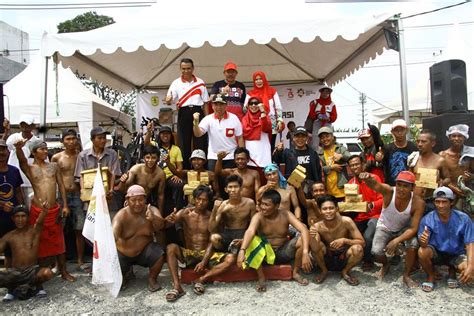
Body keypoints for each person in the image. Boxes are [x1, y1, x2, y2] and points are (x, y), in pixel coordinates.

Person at [15, 139, 75, 285]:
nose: (45, 151)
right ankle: (42, 272)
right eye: (42, 149)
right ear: (34, 152)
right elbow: (22, 160)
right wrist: (18, 148)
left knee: (59, 241)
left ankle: (63, 271)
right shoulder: (29, 168)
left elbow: (61, 186)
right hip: (37, 209)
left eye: (46, 148)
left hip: (54, 209)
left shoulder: (53, 166)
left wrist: (65, 205)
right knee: (39, 241)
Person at [237, 189, 313, 291]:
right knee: (252, 240)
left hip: (283, 252)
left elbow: (303, 229)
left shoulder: (286, 214)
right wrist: (242, 251)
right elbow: (250, 231)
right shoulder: (258, 216)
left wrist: (305, 253)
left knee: (301, 240)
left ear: (276, 206)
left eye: (266, 205)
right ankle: (261, 277)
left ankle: (295, 272)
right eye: (262, 204)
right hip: (265, 255)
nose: (263, 207)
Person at [359, 170, 425, 287]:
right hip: (385, 226)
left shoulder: (418, 202)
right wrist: (368, 178)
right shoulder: (389, 191)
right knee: (376, 251)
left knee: (413, 244)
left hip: (403, 228)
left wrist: (396, 240)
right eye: (399, 184)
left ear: (413, 187)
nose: (401, 189)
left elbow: (413, 228)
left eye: (405, 186)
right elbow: (376, 185)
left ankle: (406, 274)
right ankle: (386, 264)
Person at [164, 185, 225, 301]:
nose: (201, 202)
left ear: (209, 201)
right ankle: (177, 286)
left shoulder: (211, 216)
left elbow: (212, 240)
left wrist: (203, 262)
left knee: (230, 258)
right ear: (194, 199)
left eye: (204, 200)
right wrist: (168, 219)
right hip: (188, 254)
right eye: (198, 199)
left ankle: (201, 279)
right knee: (171, 247)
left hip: (205, 254)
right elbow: (166, 224)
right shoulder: (185, 213)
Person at [196, 175, 255, 294]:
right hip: (227, 235)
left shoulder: (249, 203)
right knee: (214, 237)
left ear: (241, 188)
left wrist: (244, 240)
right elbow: (211, 228)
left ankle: (202, 279)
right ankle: (207, 262)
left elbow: (253, 225)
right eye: (230, 187)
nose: (233, 190)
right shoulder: (223, 205)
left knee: (231, 258)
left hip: (243, 234)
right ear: (226, 190)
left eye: (236, 187)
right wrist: (215, 210)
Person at [417, 187, 474, 292]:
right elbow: (423, 244)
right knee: (422, 252)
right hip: (437, 253)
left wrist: (471, 266)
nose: (440, 205)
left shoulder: (463, 219)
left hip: (456, 254)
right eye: (437, 202)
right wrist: (423, 242)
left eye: (444, 202)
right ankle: (431, 275)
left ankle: (452, 270)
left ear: (451, 202)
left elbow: (470, 243)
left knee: (470, 269)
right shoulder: (427, 219)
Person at [112, 185, 166, 292]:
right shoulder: (121, 215)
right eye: (134, 200)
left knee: (159, 254)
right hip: (123, 254)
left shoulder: (152, 210)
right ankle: (125, 274)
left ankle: (152, 279)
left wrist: (153, 218)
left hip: (144, 251)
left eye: (141, 200)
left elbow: (162, 226)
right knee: (114, 260)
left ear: (145, 199)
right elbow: (113, 236)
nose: (138, 203)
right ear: (127, 200)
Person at [0, 204, 54, 301]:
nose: (20, 219)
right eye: (17, 216)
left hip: (31, 271)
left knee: (47, 273)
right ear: (13, 218)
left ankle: (37, 287)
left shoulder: (34, 231)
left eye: (23, 216)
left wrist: (44, 211)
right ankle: (11, 290)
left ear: (28, 217)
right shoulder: (8, 236)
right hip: (15, 272)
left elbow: (39, 222)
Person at [51, 129, 87, 271]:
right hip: (62, 197)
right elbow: (52, 179)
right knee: (58, 229)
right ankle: (57, 264)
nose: (71, 142)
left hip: (78, 195)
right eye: (68, 139)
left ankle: (80, 261)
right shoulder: (56, 158)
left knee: (79, 229)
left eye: (73, 139)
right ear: (63, 141)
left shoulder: (81, 157)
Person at [309, 195, 364, 285]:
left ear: (337, 209)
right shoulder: (317, 226)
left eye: (331, 208)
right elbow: (315, 249)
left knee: (358, 248)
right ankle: (324, 271)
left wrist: (345, 240)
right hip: (327, 258)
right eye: (325, 209)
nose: (328, 211)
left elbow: (362, 242)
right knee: (319, 246)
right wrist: (312, 236)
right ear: (320, 211)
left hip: (344, 257)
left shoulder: (346, 221)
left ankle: (345, 272)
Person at [165, 58, 209, 169]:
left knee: (200, 142)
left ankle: (202, 169)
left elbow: (206, 102)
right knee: (183, 142)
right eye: (183, 69)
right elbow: (169, 99)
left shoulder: (200, 82)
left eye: (188, 68)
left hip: (198, 112)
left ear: (193, 68)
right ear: (180, 69)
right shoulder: (176, 83)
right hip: (183, 112)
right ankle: (184, 169)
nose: (186, 71)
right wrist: (169, 100)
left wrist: (208, 119)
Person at [346, 155, 383, 270]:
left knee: (367, 236)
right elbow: (350, 203)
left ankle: (368, 260)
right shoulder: (350, 183)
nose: (354, 167)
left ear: (362, 164)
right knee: (348, 233)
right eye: (352, 165)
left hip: (375, 215)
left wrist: (371, 205)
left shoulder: (374, 178)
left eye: (357, 164)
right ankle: (354, 256)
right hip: (360, 216)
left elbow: (383, 199)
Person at [74, 127, 121, 215]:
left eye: (104, 138)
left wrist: (110, 190)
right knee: (91, 224)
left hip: (108, 198)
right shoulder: (83, 155)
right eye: (99, 138)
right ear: (92, 139)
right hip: (91, 199)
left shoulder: (112, 154)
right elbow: (81, 175)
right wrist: (83, 191)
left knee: (110, 224)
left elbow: (114, 173)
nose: (103, 140)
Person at [193, 94, 244, 172]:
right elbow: (198, 134)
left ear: (226, 105)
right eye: (216, 104)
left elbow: (240, 137)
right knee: (214, 180)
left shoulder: (234, 118)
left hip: (230, 156)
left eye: (221, 104)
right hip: (214, 156)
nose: (218, 107)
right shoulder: (208, 119)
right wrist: (195, 123)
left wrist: (241, 155)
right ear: (212, 106)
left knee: (229, 181)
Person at [145, 124, 185, 212]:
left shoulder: (176, 149)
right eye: (163, 133)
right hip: (155, 175)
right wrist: (148, 131)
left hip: (169, 176)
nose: (165, 135)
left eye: (167, 133)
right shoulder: (155, 145)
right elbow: (146, 143)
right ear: (159, 135)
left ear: (171, 136)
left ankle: (178, 211)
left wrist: (169, 163)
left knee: (180, 184)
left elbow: (180, 170)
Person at [409, 130, 451, 211]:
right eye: (418, 141)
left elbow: (448, 178)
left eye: (423, 141)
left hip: (432, 201)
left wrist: (442, 183)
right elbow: (409, 177)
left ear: (432, 143)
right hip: (415, 200)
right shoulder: (413, 158)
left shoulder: (440, 161)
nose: (420, 144)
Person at [117, 145, 166, 213]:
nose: (150, 160)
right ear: (144, 158)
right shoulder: (135, 169)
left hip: (145, 201)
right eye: (148, 157)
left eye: (153, 158)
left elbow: (160, 195)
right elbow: (121, 190)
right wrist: (122, 182)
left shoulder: (160, 174)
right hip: (131, 200)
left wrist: (160, 214)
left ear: (158, 159)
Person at [6, 114, 40, 209]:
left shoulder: (37, 142)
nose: (25, 127)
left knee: (30, 208)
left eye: (28, 125)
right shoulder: (14, 138)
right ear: (20, 126)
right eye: (23, 125)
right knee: (16, 208)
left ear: (33, 126)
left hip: (30, 182)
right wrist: (6, 131)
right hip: (14, 181)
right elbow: (4, 148)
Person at [245, 71, 284, 153]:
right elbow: (245, 110)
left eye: (260, 79)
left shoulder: (272, 91)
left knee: (270, 146)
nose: (258, 81)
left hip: (271, 123)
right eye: (256, 79)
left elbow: (278, 108)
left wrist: (280, 120)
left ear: (264, 79)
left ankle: (270, 164)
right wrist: (251, 106)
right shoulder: (250, 94)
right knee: (258, 146)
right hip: (255, 124)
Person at [0, 139, 24, 270]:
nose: (1, 152)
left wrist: (22, 208)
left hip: (11, 217)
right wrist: (2, 205)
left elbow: (18, 191)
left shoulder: (14, 170)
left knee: (11, 250)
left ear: (8, 152)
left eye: (3, 149)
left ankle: (10, 278)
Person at [439, 124, 474, 212]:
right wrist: (453, 188)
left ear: (465, 137)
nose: (456, 138)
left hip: (469, 192)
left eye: (460, 136)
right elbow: (440, 178)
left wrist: (472, 176)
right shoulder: (443, 155)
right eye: (453, 136)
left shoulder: (471, 153)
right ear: (449, 137)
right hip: (450, 193)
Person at [317, 126, 350, 202]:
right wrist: (331, 167)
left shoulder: (341, 149)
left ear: (332, 137)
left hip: (342, 190)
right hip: (328, 192)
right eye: (322, 137)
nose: (325, 139)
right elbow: (318, 169)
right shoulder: (319, 153)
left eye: (327, 136)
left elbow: (351, 159)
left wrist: (342, 156)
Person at [381, 119, 417, 186]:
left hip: (408, 186)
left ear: (407, 130)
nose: (399, 133)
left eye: (402, 130)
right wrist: (379, 159)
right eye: (397, 130)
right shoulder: (387, 148)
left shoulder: (413, 147)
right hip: (391, 186)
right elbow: (381, 165)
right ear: (392, 132)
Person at [241, 96, 272, 169]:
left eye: (256, 103)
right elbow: (242, 136)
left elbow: (266, 128)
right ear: (248, 106)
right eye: (251, 103)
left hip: (263, 150)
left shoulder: (265, 116)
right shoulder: (244, 119)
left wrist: (263, 112)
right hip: (250, 149)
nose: (253, 105)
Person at [307, 86, 338, 150]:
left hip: (327, 123)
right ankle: (315, 154)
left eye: (327, 92)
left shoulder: (332, 104)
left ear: (329, 94)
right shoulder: (315, 102)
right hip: (317, 123)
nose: (325, 94)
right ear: (321, 93)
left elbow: (334, 116)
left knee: (328, 138)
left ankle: (329, 153)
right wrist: (317, 116)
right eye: (323, 92)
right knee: (315, 138)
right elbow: (311, 114)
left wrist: (329, 118)